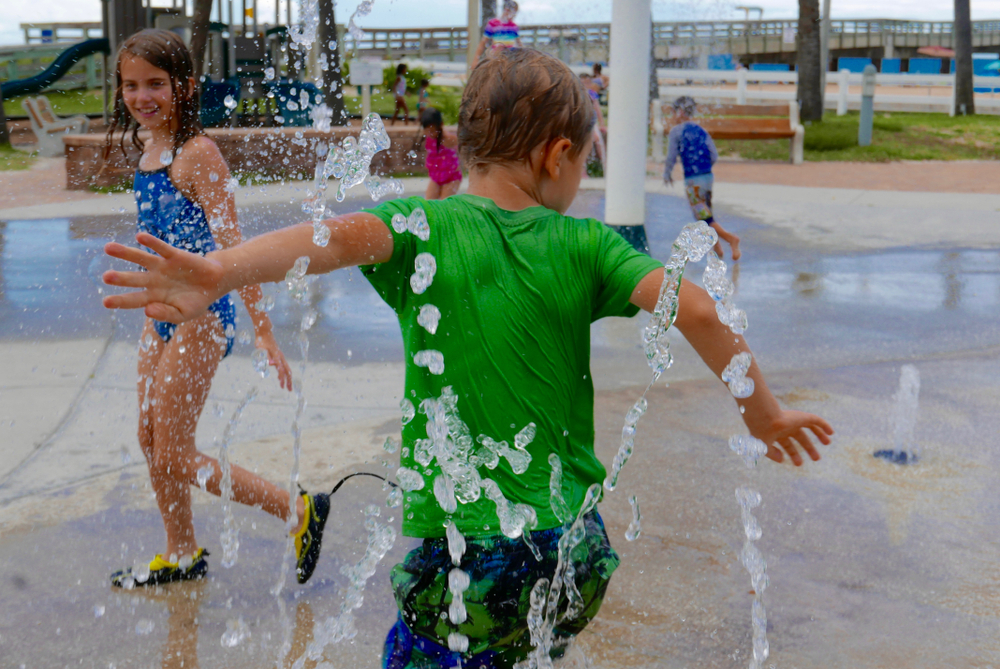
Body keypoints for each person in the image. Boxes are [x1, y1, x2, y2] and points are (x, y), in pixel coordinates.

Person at [102, 48, 832, 667]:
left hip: (463, 556)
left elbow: (332, 237)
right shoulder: (585, 244)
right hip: (572, 547)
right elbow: (700, 308)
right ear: (559, 155)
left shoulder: (423, 225)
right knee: (524, 641)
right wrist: (763, 415)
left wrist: (220, 270)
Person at [101, 29, 331, 588]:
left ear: (185, 86)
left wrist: (265, 332)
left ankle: (297, 511)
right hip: (160, 316)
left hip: (202, 319)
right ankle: (181, 553)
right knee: (150, 438)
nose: (142, 96)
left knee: (176, 453)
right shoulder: (151, 148)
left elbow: (234, 248)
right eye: (131, 85)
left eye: (156, 83)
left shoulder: (197, 154)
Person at [663, 96, 742, 261]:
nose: (672, 116)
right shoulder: (700, 129)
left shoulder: (676, 132)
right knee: (707, 213)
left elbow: (671, 156)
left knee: (703, 218)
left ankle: (730, 239)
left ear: (680, 112)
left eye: (673, 112)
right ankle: (717, 248)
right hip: (707, 177)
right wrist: (705, 169)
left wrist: (667, 173)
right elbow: (714, 154)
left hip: (693, 181)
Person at [417, 107, 462, 199]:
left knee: (443, 205)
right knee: (428, 204)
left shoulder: (447, 139)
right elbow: (431, 153)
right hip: (436, 177)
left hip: (451, 177)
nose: (431, 134)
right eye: (427, 131)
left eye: (433, 131)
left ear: (441, 125)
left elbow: (463, 143)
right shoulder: (430, 138)